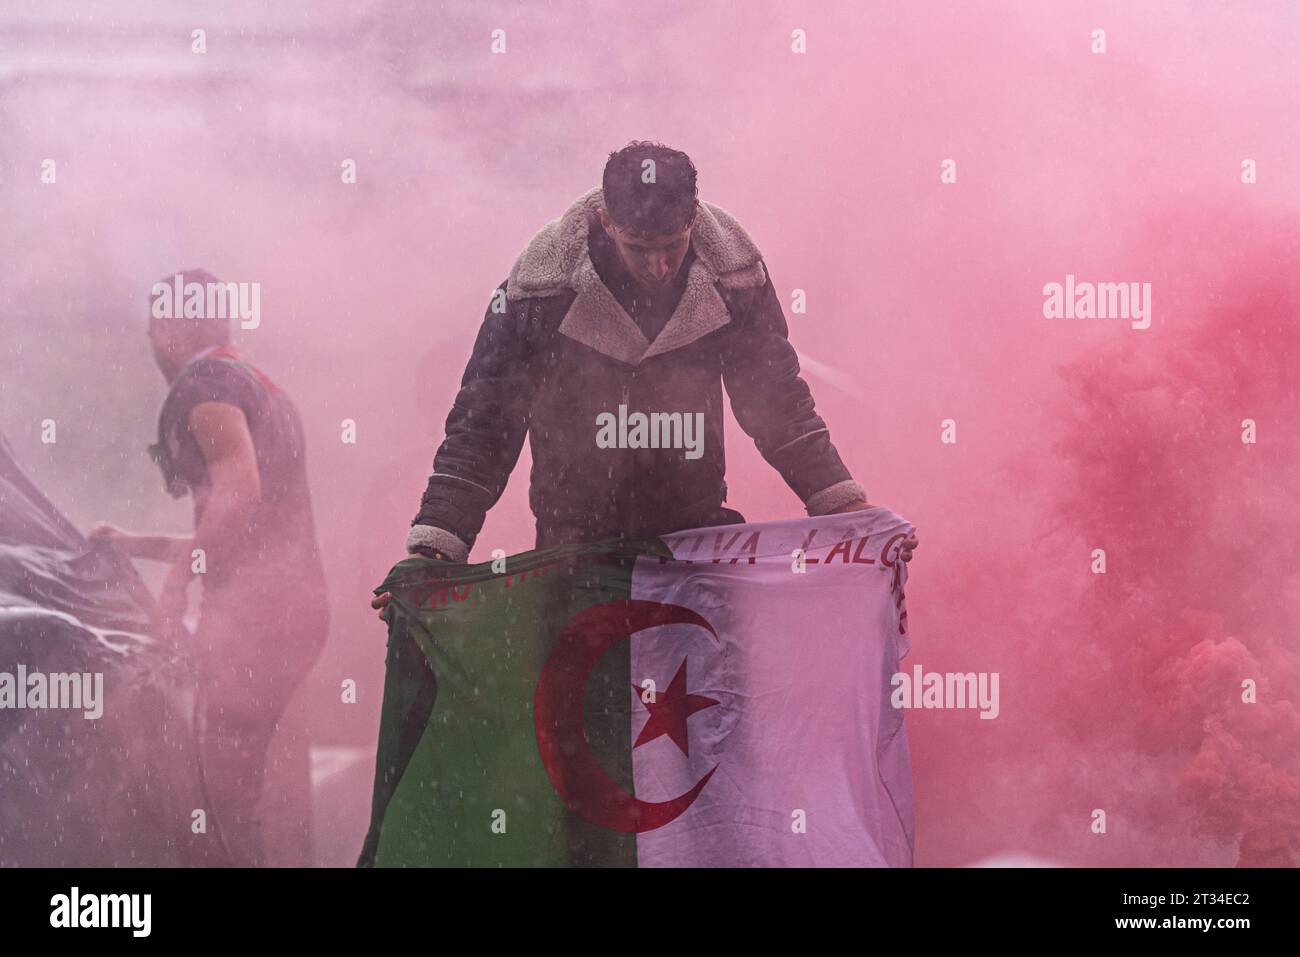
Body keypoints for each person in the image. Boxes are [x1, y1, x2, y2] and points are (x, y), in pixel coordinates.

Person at [373, 141, 916, 615]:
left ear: (693, 218)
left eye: (672, 246)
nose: (658, 267)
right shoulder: (537, 291)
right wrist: (435, 546)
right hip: (573, 549)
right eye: (639, 248)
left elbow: (777, 403)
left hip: (695, 541)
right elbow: (485, 425)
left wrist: (842, 506)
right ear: (606, 221)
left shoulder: (736, 278)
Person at [91, 268, 329, 866]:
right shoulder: (254, 383)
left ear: (173, 327)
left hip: (259, 626)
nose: (150, 342)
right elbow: (240, 532)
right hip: (289, 615)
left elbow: (239, 493)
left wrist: (177, 583)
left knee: (218, 797)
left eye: (153, 327)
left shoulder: (205, 388)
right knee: (234, 789)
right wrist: (136, 544)